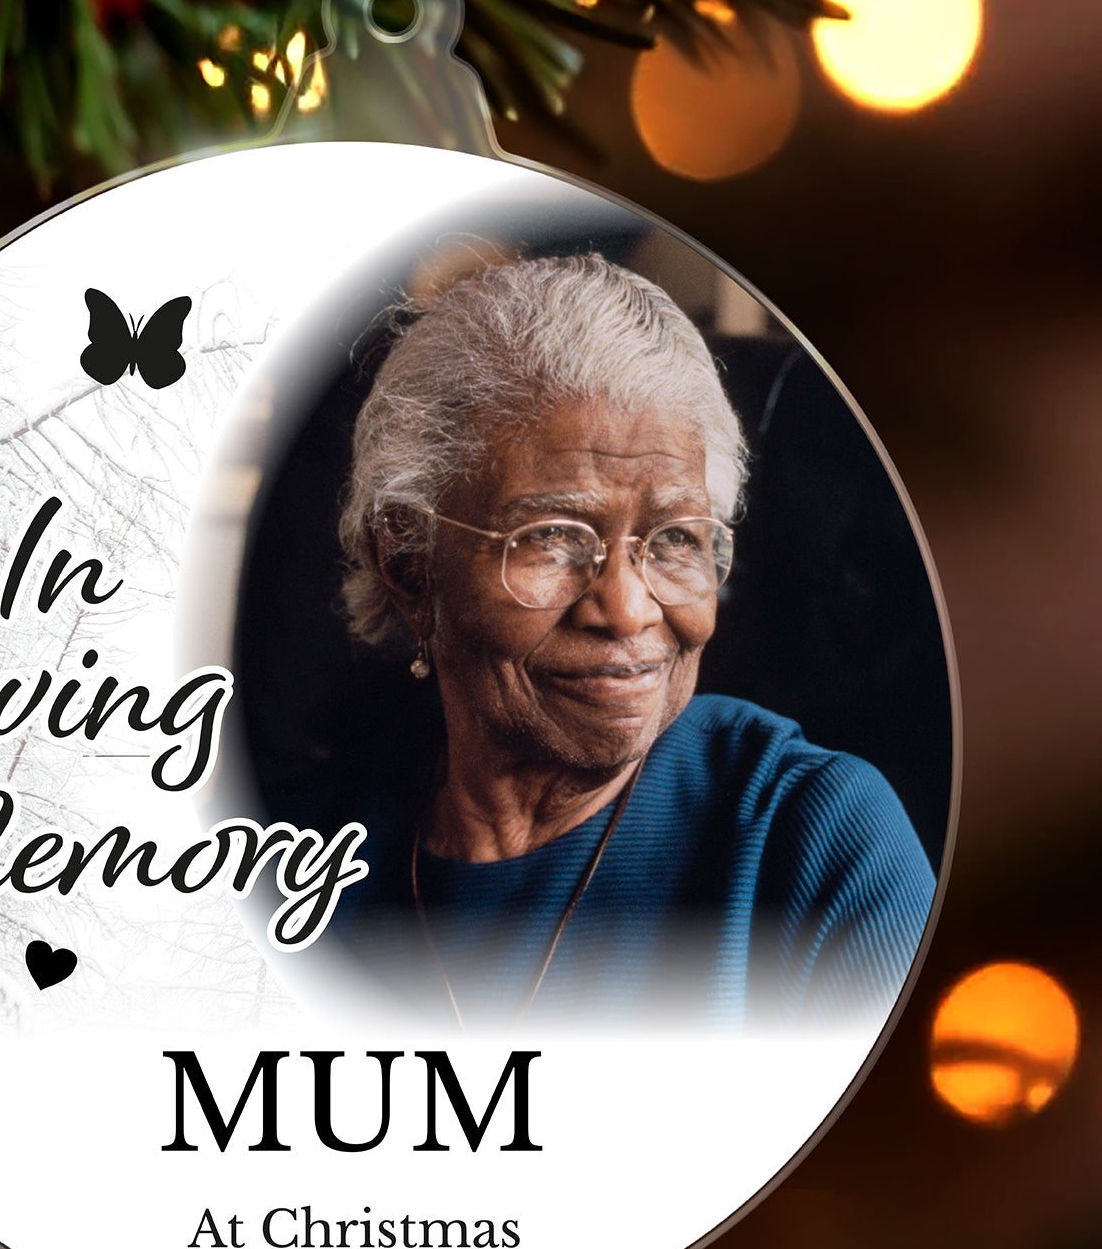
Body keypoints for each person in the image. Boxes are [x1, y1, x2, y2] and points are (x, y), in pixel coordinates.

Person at [278, 252, 936, 1030]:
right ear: (409, 564)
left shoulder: (810, 838)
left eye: (675, 541)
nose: (626, 610)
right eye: (553, 537)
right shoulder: (295, 865)